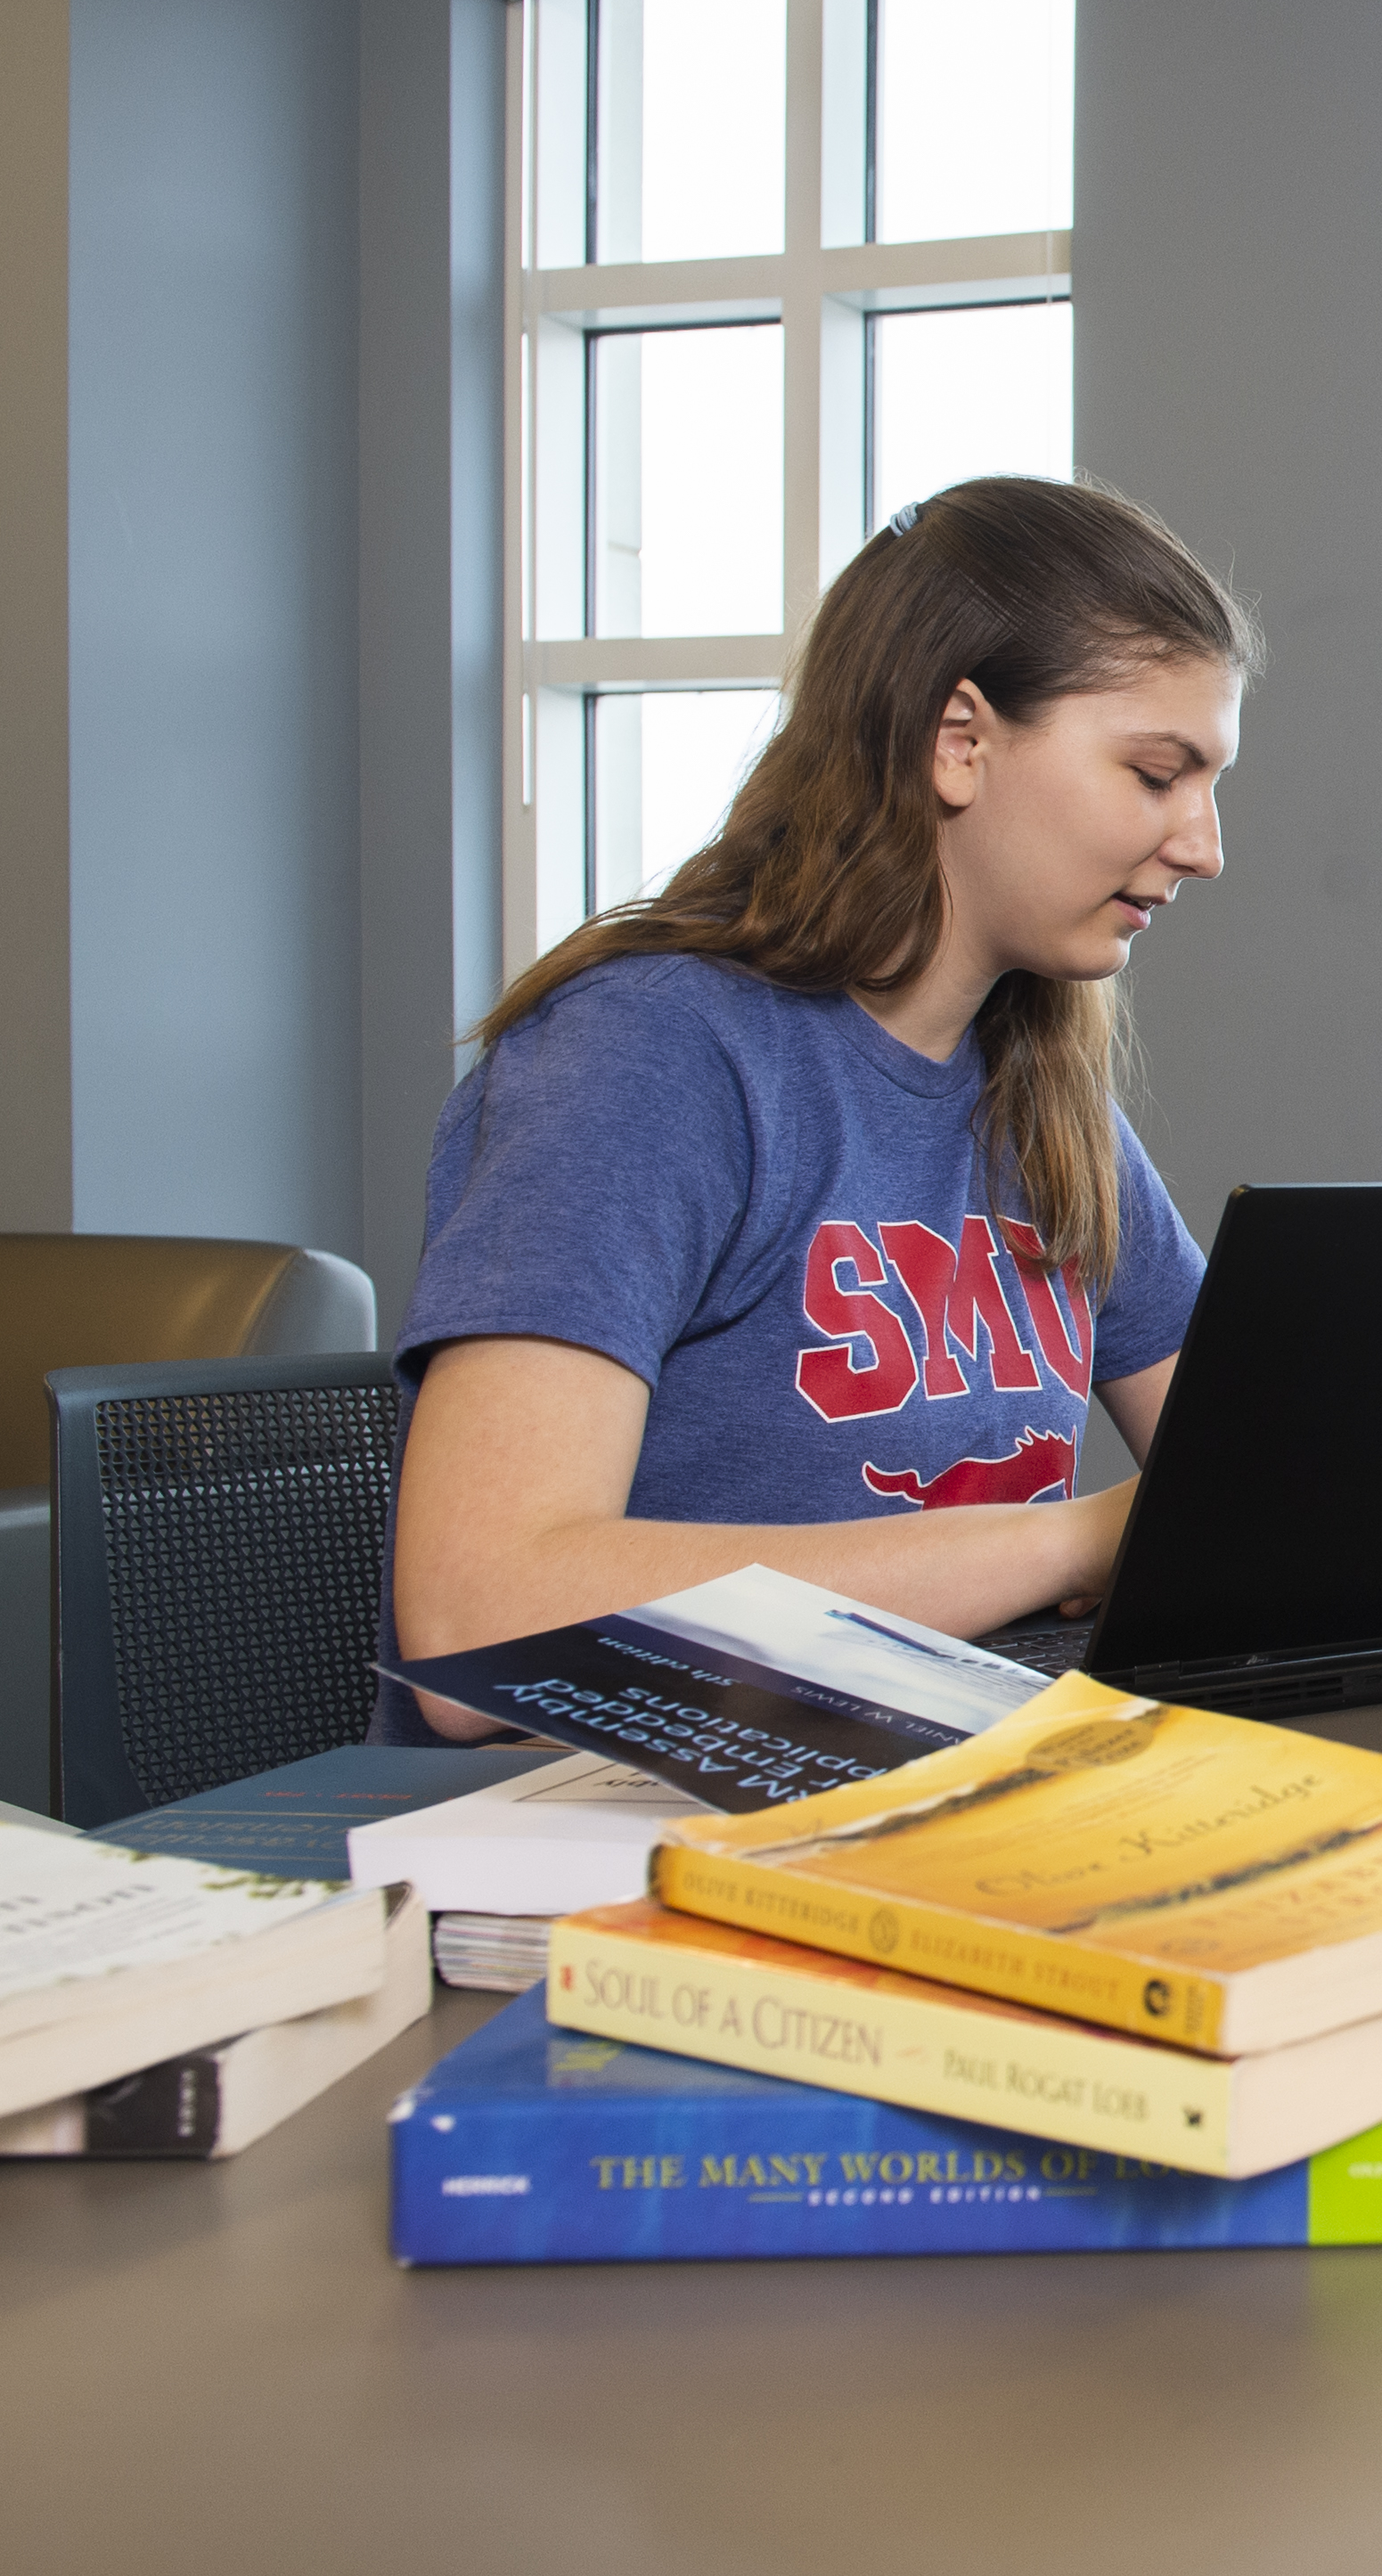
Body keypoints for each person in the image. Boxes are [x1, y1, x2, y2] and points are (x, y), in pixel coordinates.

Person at [373, 475, 1255, 1742]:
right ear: (961, 740)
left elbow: (1245, 1483)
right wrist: (1073, 1543)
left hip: (943, 1784)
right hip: (615, 1831)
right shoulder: (651, 1057)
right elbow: (483, 1619)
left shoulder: (1037, 1094)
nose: (1204, 844)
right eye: (1157, 772)